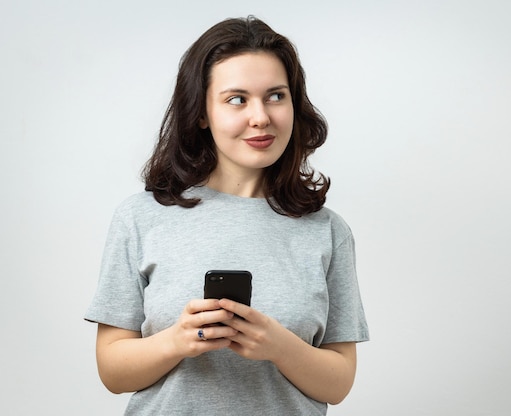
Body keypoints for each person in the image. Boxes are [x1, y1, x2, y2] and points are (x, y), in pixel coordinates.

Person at [85, 15, 369, 415]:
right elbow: (113, 372)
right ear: (202, 113)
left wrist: (276, 345)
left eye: (276, 96)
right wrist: (179, 340)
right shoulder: (140, 217)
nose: (261, 117)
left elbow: (339, 383)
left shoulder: (328, 230)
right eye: (237, 99)